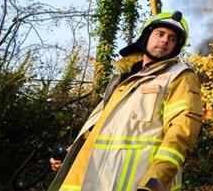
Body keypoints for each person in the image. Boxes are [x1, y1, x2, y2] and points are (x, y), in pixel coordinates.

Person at [48, 11, 204, 191]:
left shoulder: (180, 76)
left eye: (172, 38)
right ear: (146, 37)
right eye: (159, 34)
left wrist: (155, 181)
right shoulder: (124, 77)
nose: (164, 40)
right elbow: (100, 129)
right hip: (93, 181)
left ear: (175, 47)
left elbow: (181, 132)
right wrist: (70, 155)